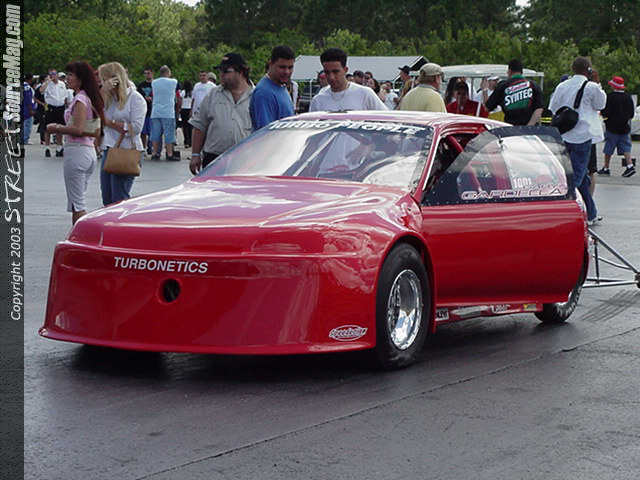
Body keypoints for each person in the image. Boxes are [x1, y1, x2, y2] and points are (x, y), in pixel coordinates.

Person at [549, 56, 606, 226]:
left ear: (572, 69)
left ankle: (591, 213)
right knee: (578, 177)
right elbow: (601, 105)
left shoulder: (562, 86)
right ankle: (567, 210)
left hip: (565, 134)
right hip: (583, 135)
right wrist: (597, 82)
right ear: (588, 70)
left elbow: (553, 107)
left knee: (575, 175)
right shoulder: (592, 87)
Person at [46, 61, 104, 224]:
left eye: (71, 75)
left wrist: (56, 127)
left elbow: (78, 129)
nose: (67, 78)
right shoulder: (89, 98)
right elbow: (93, 130)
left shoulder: (80, 99)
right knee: (76, 201)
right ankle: (76, 234)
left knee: (77, 203)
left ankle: (82, 234)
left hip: (77, 152)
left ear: (81, 78)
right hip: (87, 151)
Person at [189, 53, 253, 174]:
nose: (221, 75)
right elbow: (199, 125)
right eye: (220, 71)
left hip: (245, 160)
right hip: (214, 158)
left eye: (226, 71)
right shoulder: (213, 94)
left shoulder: (256, 95)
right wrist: (195, 154)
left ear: (241, 72)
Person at [98, 62, 147, 206]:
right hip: (109, 148)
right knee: (107, 197)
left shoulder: (135, 98)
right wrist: (102, 93)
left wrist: (110, 123)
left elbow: (136, 128)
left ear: (114, 79)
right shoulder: (109, 99)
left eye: (103, 80)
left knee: (118, 199)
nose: (102, 83)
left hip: (127, 150)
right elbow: (96, 115)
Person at [309, 48, 387, 112]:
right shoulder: (318, 100)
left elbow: (387, 119)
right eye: (327, 72)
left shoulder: (365, 94)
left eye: (335, 72)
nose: (331, 77)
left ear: (345, 70)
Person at [597, 76, 636, 178]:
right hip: (625, 127)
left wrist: (604, 116)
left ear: (613, 86)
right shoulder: (628, 97)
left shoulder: (610, 97)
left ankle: (606, 168)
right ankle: (630, 165)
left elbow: (605, 112)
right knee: (626, 147)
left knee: (609, 148)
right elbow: (631, 114)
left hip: (612, 127)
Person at [249, 45, 295, 130]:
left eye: (290, 67)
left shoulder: (281, 87)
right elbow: (266, 132)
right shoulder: (264, 93)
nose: (287, 72)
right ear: (270, 64)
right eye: (282, 67)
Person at [486, 59, 544, 125]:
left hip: (510, 128)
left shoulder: (503, 86)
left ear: (509, 71)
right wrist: (529, 126)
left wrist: (484, 91)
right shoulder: (534, 85)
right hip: (530, 129)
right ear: (522, 72)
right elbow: (539, 109)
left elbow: (487, 107)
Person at [150, 65, 180, 161]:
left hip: (156, 111)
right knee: (169, 134)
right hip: (168, 112)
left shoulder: (154, 82)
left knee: (155, 133)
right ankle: (169, 153)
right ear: (168, 73)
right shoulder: (173, 82)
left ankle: (154, 153)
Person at [40, 68, 68, 157]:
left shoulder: (62, 84)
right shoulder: (47, 84)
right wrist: (48, 81)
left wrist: (66, 107)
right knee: (48, 128)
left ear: (57, 74)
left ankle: (59, 147)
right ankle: (47, 148)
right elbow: (41, 91)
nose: (53, 76)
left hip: (60, 108)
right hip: (51, 107)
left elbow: (65, 96)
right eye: (51, 74)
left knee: (59, 128)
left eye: (54, 74)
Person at [137, 67, 153, 154]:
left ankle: (151, 147)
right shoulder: (141, 85)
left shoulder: (155, 84)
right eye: (145, 73)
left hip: (152, 110)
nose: (147, 75)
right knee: (143, 132)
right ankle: (143, 147)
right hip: (143, 111)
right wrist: (144, 97)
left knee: (152, 131)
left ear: (152, 73)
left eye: (148, 73)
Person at [22, 74, 36, 144]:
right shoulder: (27, 87)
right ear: (30, 79)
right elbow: (28, 99)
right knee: (27, 125)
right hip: (27, 109)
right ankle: (25, 140)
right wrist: (31, 109)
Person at [180, 80, 193, 148]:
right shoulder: (192, 92)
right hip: (190, 109)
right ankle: (191, 141)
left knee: (185, 126)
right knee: (190, 126)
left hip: (184, 109)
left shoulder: (183, 92)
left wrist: (179, 108)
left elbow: (180, 101)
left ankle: (186, 141)